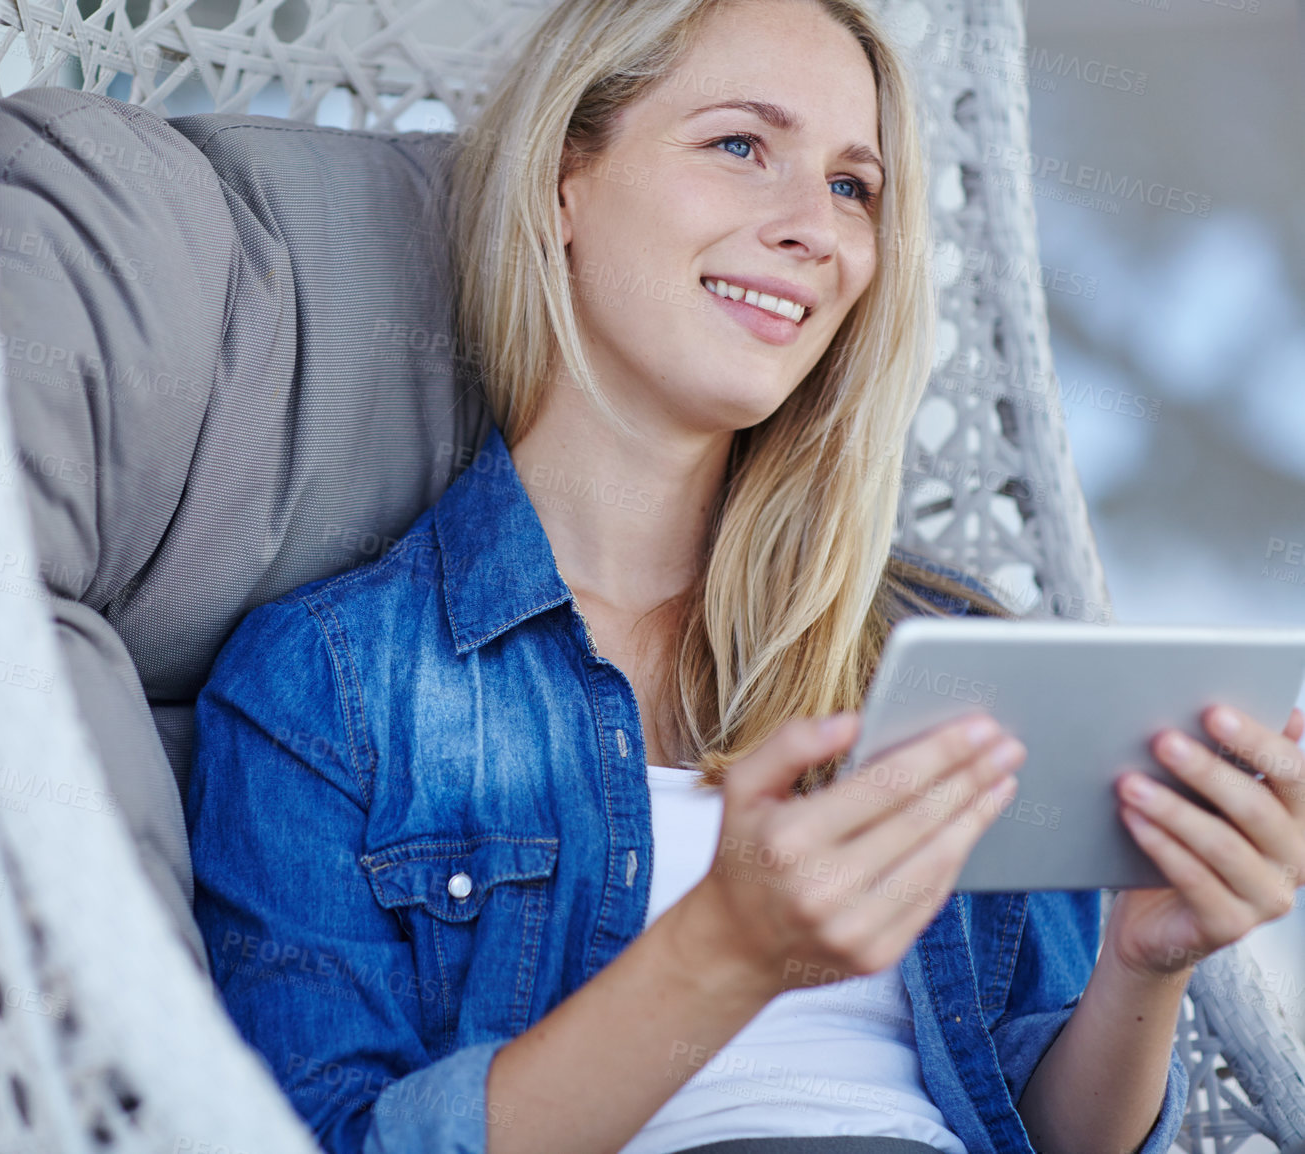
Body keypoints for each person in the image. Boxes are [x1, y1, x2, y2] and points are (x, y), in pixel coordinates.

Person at [183, 1, 1305, 1152]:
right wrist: (724, 949)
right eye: (739, 146)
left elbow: (1054, 1133)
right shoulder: (327, 691)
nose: (813, 228)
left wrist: (1142, 962)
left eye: (851, 187)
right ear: (566, 179)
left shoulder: (940, 653)